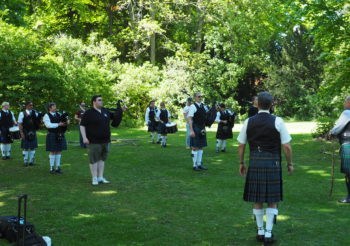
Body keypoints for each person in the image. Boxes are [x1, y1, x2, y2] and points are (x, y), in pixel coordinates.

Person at [237, 91, 293, 244]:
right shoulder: (278, 121)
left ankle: (260, 231)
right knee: (272, 199)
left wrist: (241, 163)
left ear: (257, 104)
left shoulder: (248, 121)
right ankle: (268, 233)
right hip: (273, 163)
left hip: (255, 162)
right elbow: (287, 146)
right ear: (272, 104)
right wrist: (289, 163)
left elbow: (241, 145)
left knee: (257, 198)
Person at [80, 95, 113, 185]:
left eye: (102, 100)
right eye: (99, 100)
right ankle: (94, 178)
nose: (101, 101)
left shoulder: (105, 111)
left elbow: (115, 116)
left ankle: (100, 177)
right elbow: (82, 125)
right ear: (94, 102)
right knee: (94, 159)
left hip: (105, 140)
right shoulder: (89, 113)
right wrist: (84, 138)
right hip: (93, 141)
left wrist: (121, 110)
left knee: (102, 159)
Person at [330, 96, 350, 203]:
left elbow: (337, 128)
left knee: (348, 172)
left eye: (345, 101)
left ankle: (349, 197)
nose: (344, 104)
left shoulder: (347, 113)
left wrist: (331, 133)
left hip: (348, 144)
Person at [43, 103, 69, 174]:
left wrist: (66, 122)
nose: (55, 108)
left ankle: (58, 167)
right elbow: (48, 125)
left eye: (55, 106)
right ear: (50, 108)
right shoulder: (46, 115)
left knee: (59, 150)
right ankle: (51, 168)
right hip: (52, 134)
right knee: (53, 151)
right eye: (54, 107)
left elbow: (63, 121)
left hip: (60, 134)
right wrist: (58, 124)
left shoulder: (59, 114)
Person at [187, 92, 208, 171]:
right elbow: (189, 118)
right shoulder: (192, 106)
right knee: (195, 147)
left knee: (201, 147)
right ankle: (194, 165)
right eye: (198, 96)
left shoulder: (202, 105)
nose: (200, 98)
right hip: (195, 127)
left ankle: (199, 164)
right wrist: (191, 130)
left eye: (201, 96)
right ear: (195, 98)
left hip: (202, 128)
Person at [18, 102, 42, 166]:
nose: (31, 106)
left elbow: (40, 119)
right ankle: (25, 161)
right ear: (26, 106)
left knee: (33, 147)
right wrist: (21, 133)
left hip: (33, 131)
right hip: (25, 131)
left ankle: (31, 161)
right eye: (30, 105)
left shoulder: (35, 112)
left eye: (32, 105)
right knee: (25, 147)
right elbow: (20, 124)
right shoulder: (22, 113)